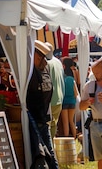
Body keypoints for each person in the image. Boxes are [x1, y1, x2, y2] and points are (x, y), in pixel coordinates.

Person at [27, 40, 59, 169]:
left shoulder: (34, 73)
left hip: (36, 118)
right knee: (49, 153)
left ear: (36, 55)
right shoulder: (45, 71)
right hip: (44, 116)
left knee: (42, 155)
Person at [44, 44, 64, 139]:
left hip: (50, 99)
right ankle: (52, 148)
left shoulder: (46, 63)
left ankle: (50, 149)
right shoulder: (58, 62)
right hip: (59, 97)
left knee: (48, 126)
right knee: (53, 125)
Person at [60, 57, 80, 138]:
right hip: (72, 102)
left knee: (65, 122)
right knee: (71, 121)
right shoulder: (72, 79)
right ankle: (74, 137)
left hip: (64, 102)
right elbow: (76, 93)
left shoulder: (62, 79)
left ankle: (66, 138)